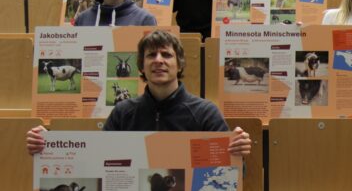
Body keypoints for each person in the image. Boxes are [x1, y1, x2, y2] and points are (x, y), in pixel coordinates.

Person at [27, 30, 251, 155]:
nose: (159, 61)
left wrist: (238, 153)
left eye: (166, 55)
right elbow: (97, 159)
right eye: (151, 55)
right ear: (141, 66)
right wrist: (47, 146)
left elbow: (234, 172)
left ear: (180, 64)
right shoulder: (123, 112)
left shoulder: (205, 113)